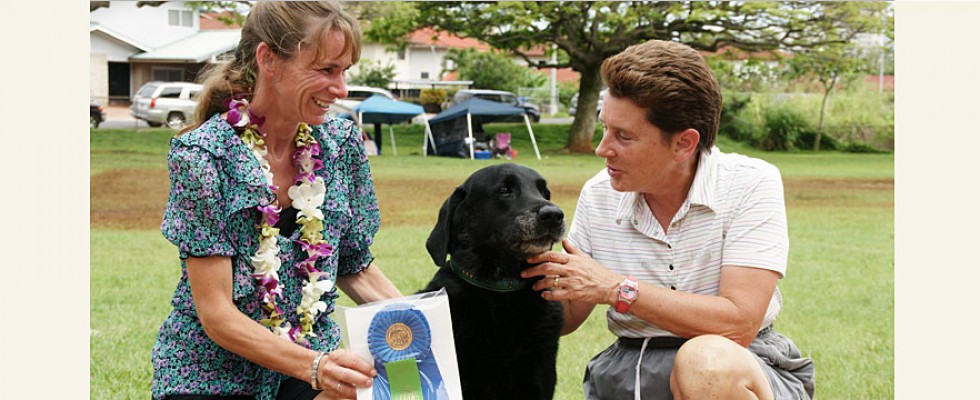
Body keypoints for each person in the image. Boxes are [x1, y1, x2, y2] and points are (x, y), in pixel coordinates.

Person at [523, 39, 815, 399]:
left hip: (739, 364)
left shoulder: (750, 183)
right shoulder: (599, 194)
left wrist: (618, 289)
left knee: (704, 362)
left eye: (623, 136)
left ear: (684, 144)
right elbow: (565, 315)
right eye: (605, 128)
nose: (602, 149)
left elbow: (738, 324)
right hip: (629, 374)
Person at [151, 2, 402, 400]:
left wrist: (428, 330)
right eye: (325, 70)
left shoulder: (341, 145)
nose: (340, 90)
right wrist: (317, 367)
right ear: (268, 59)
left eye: (344, 71)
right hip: (213, 374)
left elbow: (355, 265)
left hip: (308, 362)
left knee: (365, 392)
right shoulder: (202, 156)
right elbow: (215, 313)